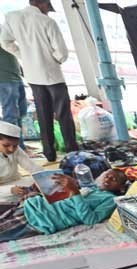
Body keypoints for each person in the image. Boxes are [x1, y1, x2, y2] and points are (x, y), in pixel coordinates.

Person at [1, 0, 78, 162]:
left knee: (43, 115)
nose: (48, 11)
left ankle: (49, 153)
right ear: (43, 5)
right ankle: (72, 152)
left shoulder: (12, 17)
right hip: (53, 76)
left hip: (33, 76)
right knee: (63, 115)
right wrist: (52, 59)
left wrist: (24, 56)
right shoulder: (47, 22)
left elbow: (6, 42)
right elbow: (62, 53)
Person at [0, 168, 128, 242]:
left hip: (41, 220)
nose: (107, 180)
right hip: (32, 205)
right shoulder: (92, 188)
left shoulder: (110, 200)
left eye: (114, 179)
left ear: (121, 188)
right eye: (107, 176)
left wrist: (75, 192)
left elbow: (91, 219)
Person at [0, 47, 27, 150]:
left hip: (16, 77)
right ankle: (17, 148)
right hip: (4, 80)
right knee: (11, 115)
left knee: (21, 112)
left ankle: (20, 145)